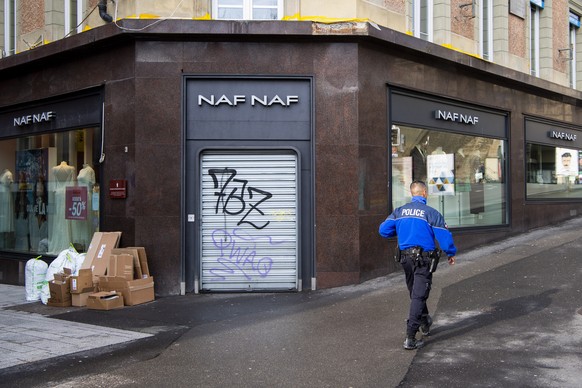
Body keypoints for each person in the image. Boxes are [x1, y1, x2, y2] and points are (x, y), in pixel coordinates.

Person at [379, 180, 457, 350]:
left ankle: (424, 320)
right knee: (419, 295)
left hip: (405, 260)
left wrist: (400, 230)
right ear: (424, 193)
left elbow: (383, 230)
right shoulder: (431, 213)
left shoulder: (399, 211)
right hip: (423, 261)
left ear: (411, 193)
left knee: (416, 292)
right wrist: (451, 253)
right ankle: (410, 337)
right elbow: (444, 236)